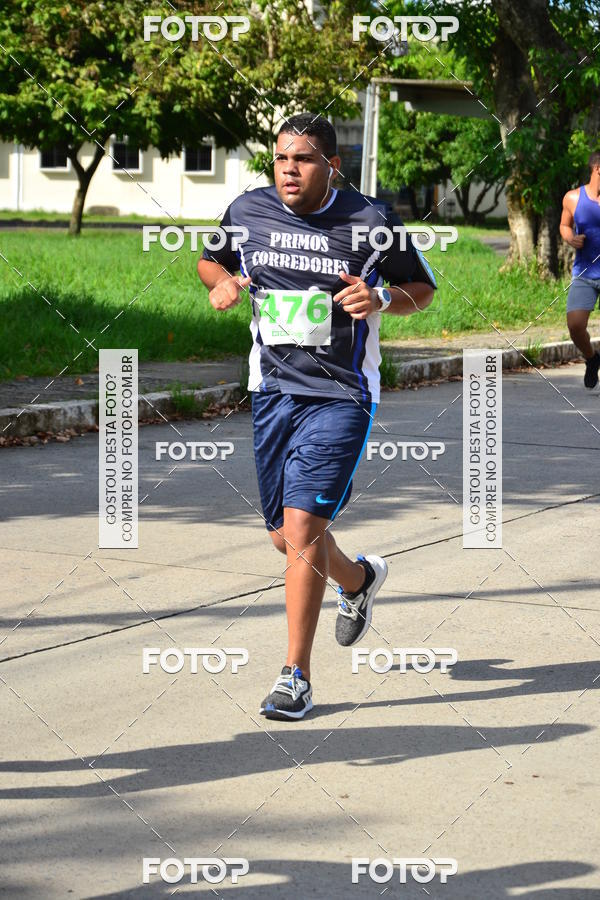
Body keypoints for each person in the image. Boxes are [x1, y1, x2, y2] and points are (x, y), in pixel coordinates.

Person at [197, 113, 436, 719]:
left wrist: (380, 296)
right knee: (284, 536)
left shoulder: (371, 220)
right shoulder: (247, 211)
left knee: (302, 527)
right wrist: (220, 283)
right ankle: (357, 581)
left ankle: (295, 676)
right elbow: (210, 260)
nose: (288, 170)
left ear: (332, 165)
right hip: (272, 387)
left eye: (302, 160)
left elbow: (421, 289)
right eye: (280, 159)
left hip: (342, 394)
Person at [560, 151, 600, 388]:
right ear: (597, 168)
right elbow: (564, 225)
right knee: (575, 326)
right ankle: (592, 358)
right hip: (585, 272)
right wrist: (570, 238)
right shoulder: (572, 198)